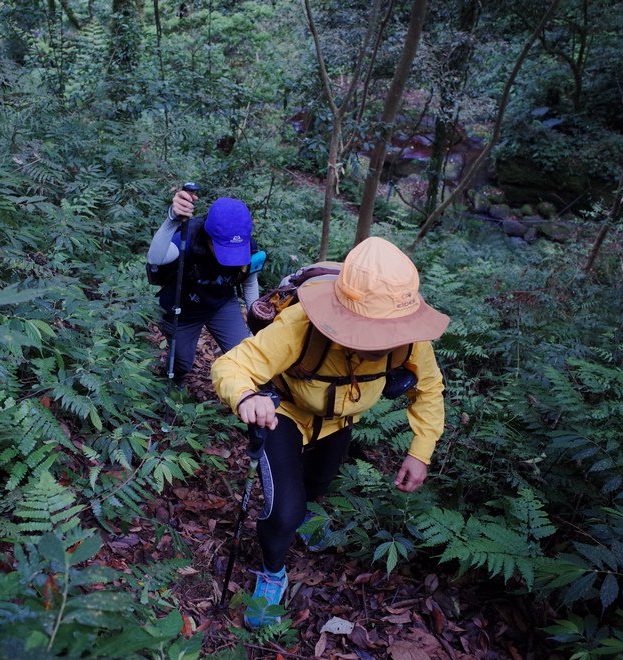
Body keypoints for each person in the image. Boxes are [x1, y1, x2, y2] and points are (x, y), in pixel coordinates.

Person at [210, 236, 449, 629]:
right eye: (369, 333)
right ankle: (273, 573)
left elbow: (429, 389)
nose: (381, 344)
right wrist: (246, 396)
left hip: (341, 421)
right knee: (285, 510)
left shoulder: (411, 336)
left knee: (317, 486)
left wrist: (420, 451)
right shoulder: (302, 323)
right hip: (284, 412)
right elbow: (232, 366)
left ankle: (302, 520)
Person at [147, 187, 264, 384]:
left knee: (243, 353)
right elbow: (155, 258)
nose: (230, 258)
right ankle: (172, 382)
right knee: (182, 364)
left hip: (221, 303)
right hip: (182, 312)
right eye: (223, 248)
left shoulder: (246, 244)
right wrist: (172, 218)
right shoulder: (189, 239)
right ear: (208, 236)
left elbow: (250, 281)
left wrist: (257, 322)